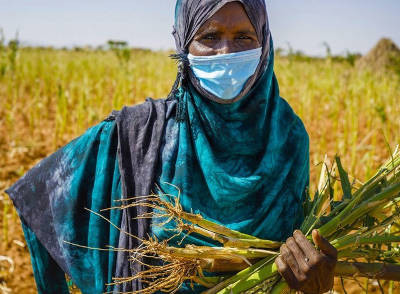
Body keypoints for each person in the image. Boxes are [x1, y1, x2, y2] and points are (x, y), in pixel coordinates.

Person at [6, 0, 337, 293]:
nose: (226, 52)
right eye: (209, 37)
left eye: (243, 37)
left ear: (264, 43)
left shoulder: (288, 138)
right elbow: (40, 196)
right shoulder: (140, 135)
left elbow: (293, 252)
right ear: (184, 46)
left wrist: (312, 276)